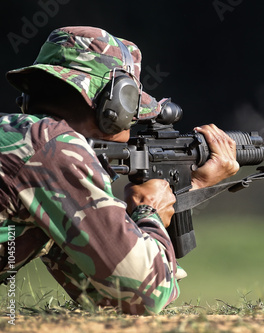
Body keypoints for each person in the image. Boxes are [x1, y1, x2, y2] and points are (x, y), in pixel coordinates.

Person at [0, 26, 239, 315]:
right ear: (116, 105)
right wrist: (149, 211)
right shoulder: (52, 148)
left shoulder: (25, 141)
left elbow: (104, 296)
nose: (131, 128)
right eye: (134, 115)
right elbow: (145, 294)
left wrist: (194, 184)